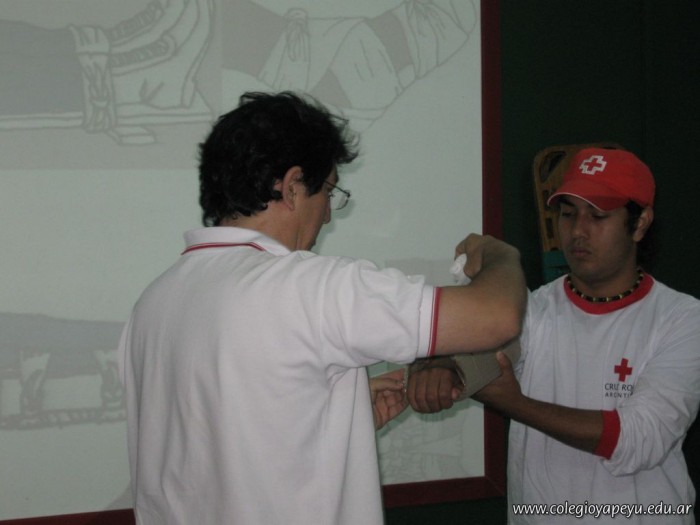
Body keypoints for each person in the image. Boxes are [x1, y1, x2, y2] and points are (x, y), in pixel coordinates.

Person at [118, 91, 527, 525]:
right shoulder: (310, 286)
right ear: (293, 186)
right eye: (329, 191)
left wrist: (328, 420)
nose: (328, 215)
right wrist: (501, 254)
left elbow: (209, 452)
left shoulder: (153, 304)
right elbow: (496, 316)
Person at [407, 147, 700, 524]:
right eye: (567, 214)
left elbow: (639, 439)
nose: (578, 230)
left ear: (640, 223)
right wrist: (438, 366)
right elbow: (476, 354)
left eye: (597, 215)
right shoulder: (531, 309)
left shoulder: (683, 319)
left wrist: (516, 404)